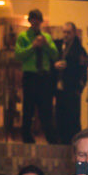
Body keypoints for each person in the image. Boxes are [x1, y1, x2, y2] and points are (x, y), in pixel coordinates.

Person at [15, 10, 57, 144]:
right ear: (29, 21)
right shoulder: (23, 37)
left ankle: (50, 138)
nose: (35, 23)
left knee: (46, 108)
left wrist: (45, 45)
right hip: (30, 76)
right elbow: (18, 55)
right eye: (33, 20)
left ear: (41, 22)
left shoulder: (47, 37)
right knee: (28, 107)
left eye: (38, 20)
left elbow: (55, 55)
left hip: (44, 77)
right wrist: (32, 47)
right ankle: (27, 137)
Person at [54, 21, 88, 144]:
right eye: (64, 32)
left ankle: (72, 144)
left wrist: (79, 88)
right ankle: (61, 141)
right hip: (60, 89)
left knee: (72, 118)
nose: (66, 35)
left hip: (72, 89)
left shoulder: (79, 50)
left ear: (74, 33)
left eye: (68, 32)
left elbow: (83, 70)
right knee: (59, 115)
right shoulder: (59, 47)